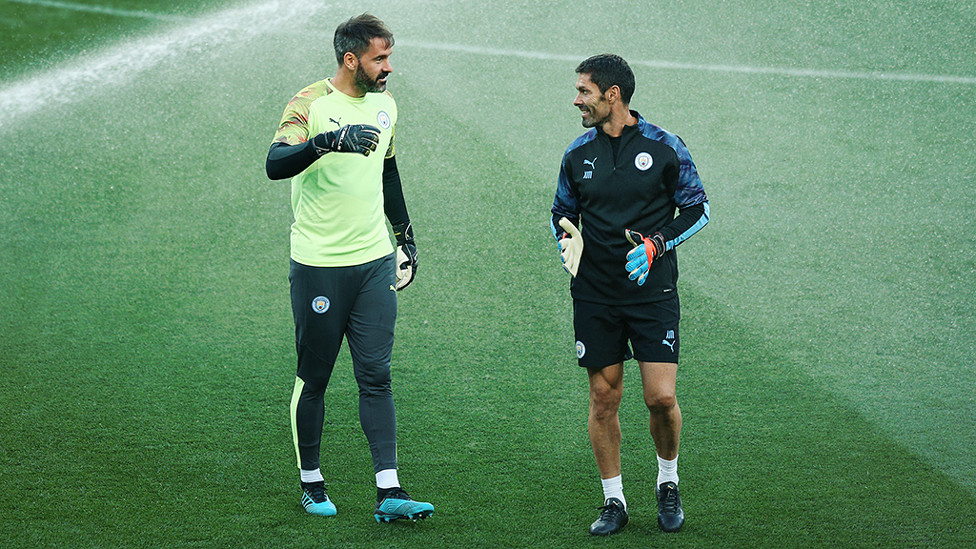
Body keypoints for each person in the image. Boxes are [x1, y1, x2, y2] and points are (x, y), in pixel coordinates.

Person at [265, 13, 433, 523]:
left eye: (389, 58)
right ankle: (311, 482)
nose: (387, 68)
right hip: (319, 264)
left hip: (373, 262)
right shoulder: (309, 103)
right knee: (313, 377)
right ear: (351, 59)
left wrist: (403, 236)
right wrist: (324, 143)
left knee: (376, 375)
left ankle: (389, 491)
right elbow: (275, 163)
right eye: (380, 59)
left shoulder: (386, 106)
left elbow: (388, 171)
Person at [550, 53, 709, 536]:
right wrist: (566, 241)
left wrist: (656, 245)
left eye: (584, 91)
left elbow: (697, 210)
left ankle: (667, 482)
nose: (577, 99)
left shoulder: (664, 146)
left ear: (611, 94)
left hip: (651, 291)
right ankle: (614, 499)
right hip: (595, 292)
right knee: (603, 396)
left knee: (660, 397)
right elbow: (561, 212)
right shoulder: (578, 153)